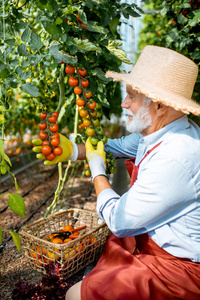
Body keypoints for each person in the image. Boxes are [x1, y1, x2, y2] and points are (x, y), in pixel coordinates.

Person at [33, 45, 200, 300]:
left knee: (76, 295)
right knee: (101, 267)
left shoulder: (176, 156)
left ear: (159, 106)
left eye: (131, 96)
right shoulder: (161, 131)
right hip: (155, 245)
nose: (124, 104)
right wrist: (72, 151)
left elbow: (120, 221)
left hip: (180, 271)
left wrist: (97, 172)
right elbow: (114, 147)